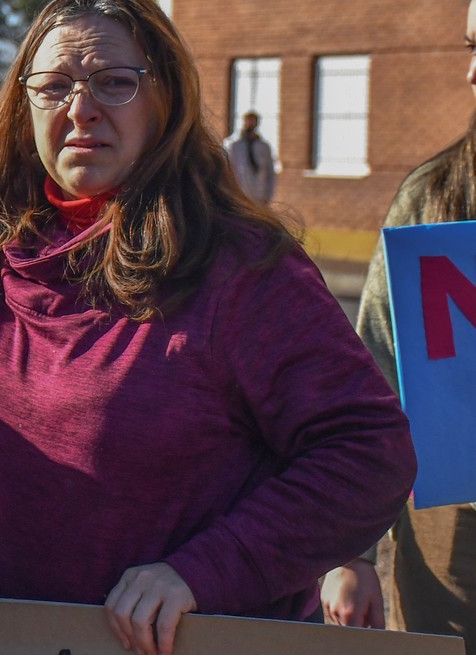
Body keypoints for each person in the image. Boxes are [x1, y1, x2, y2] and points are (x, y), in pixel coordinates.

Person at [0, 1, 415, 654]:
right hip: (0, 638)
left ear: (164, 97)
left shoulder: (239, 269)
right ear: (23, 108)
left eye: (113, 82)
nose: (82, 109)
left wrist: (203, 571)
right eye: (54, 87)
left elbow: (371, 451)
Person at [345, 0, 476, 648]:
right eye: (473, 46)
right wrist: (356, 550)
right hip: (453, 537)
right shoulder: (433, 196)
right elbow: (374, 375)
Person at [222, 110, 277, 205]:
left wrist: (268, 195)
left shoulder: (263, 146)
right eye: (248, 121)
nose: (250, 124)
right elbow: (227, 168)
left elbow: (270, 171)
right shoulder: (233, 145)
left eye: (253, 122)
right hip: (239, 193)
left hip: (258, 194)